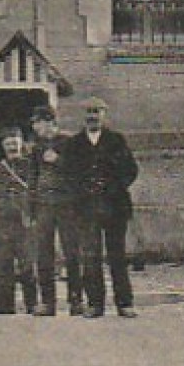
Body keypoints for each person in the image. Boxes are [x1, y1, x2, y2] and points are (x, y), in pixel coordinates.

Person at [61, 97, 138, 319]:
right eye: (88, 112)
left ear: (104, 115)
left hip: (115, 208)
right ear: (83, 116)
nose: (92, 116)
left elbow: (130, 170)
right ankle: (95, 304)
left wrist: (112, 187)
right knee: (91, 257)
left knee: (117, 256)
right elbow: (67, 174)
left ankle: (125, 303)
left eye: (96, 112)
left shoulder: (116, 141)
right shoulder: (74, 144)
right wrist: (82, 190)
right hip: (86, 209)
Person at [29, 105, 82, 317]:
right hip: (44, 206)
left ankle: (76, 300)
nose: (35, 127)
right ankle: (47, 302)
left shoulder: (69, 142)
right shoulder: (36, 147)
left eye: (37, 122)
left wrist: (58, 161)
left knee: (72, 253)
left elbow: (79, 171)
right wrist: (31, 208)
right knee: (44, 255)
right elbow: (33, 177)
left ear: (49, 121)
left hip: (67, 205)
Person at [0, 126, 37, 315]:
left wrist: (34, 217)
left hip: (25, 223)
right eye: (8, 144)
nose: (12, 147)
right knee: (2, 266)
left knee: (28, 266)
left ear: (21, 143)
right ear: (3, 146)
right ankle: (5, 306)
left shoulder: (31, 165)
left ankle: (32, 304)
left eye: (15, 142)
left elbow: (37, 194)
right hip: (2, 224)